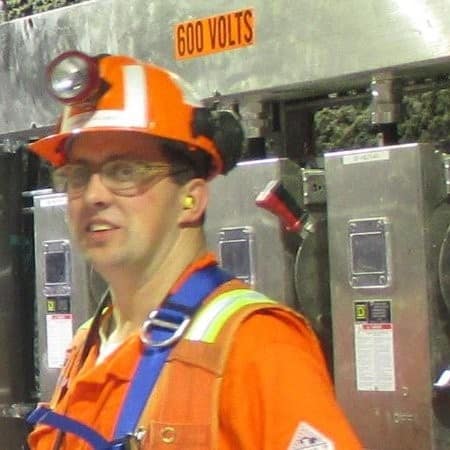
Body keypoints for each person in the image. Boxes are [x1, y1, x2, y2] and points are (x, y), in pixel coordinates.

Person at [26, 51, 362, 450]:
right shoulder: (90, 342)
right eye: (77, 176)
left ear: (192, 199)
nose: (93, 195)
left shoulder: (256, 345)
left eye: (125, 172)